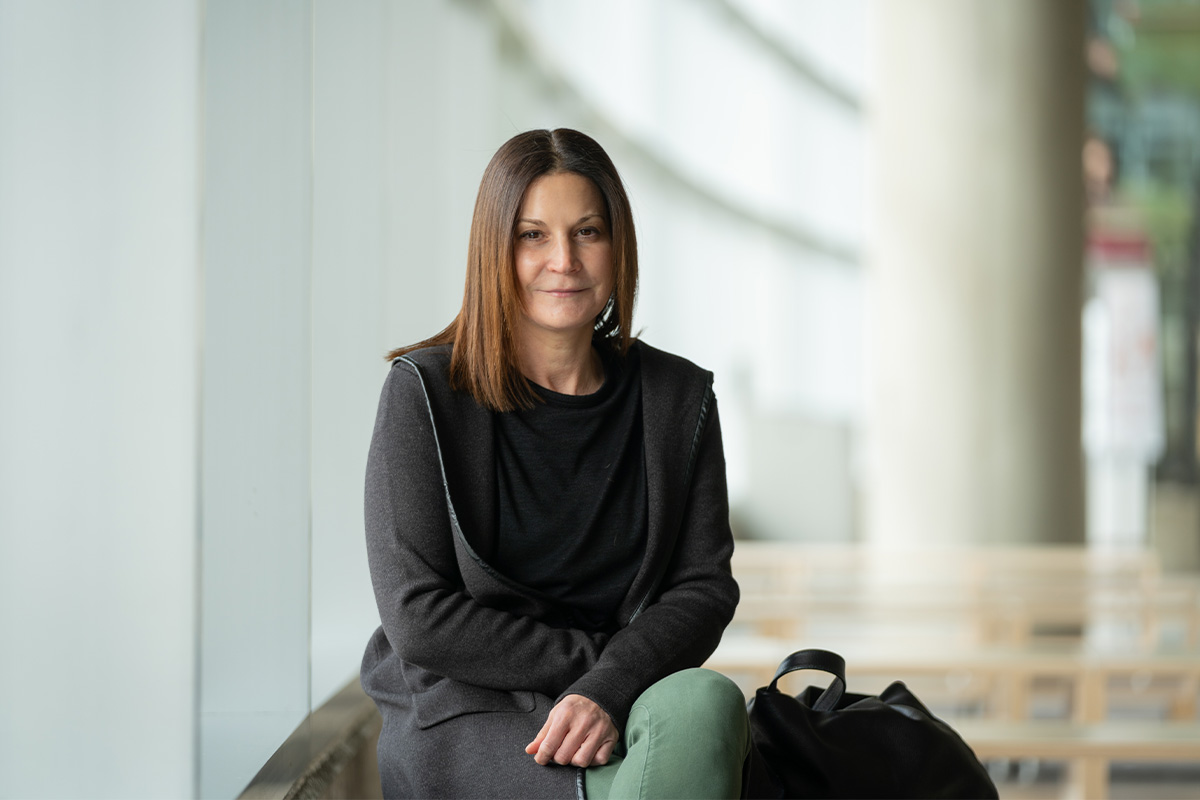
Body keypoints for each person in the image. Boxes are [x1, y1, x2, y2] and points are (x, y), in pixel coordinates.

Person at [360, 128, 750, 799]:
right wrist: (601, 669)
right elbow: (418, 613)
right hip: (474, 709)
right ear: (495, 249)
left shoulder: (678, 400)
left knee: (709, 704)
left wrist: (612, 687)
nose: (564, 260)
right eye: (532, 235)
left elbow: (703, 587)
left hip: (624, 699)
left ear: (618, 243)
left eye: (588, 232)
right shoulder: (424, 394)